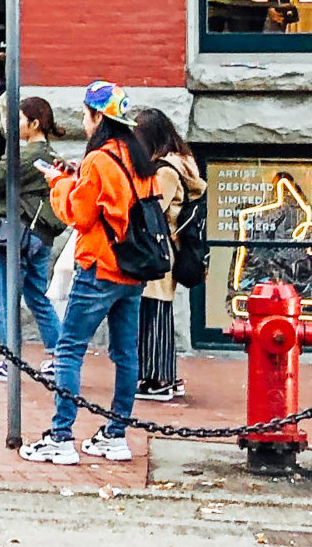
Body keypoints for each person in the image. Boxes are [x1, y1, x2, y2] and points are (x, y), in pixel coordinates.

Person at [22, 81, 163, 467]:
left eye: (86, 114)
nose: (84, 121)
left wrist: (59, 182)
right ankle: (116, 435)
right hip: (132, 270)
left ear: (98, 116)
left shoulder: (100, 160)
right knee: (125, 353)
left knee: (69, 349)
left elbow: (78, 216)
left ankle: (61, 436)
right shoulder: (140, 158)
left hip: (100, 265)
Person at [0, 92, 65, 382]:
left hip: (16, 234)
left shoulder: (28, 156)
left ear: (33, 123)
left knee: (5, 300)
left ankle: (10, 360)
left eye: (19, 119)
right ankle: (59, 354)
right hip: (38, 235)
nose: (13, 124)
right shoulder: (49, 154)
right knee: (35, 296)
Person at [132, 105, 204, 403]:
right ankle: (163, 377)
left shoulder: (165, 170)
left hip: (159, 248)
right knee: (158, 311)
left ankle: (158, 379)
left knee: (154, 314)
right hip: (170, 248)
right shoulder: (184, 162)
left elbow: (152, 209)